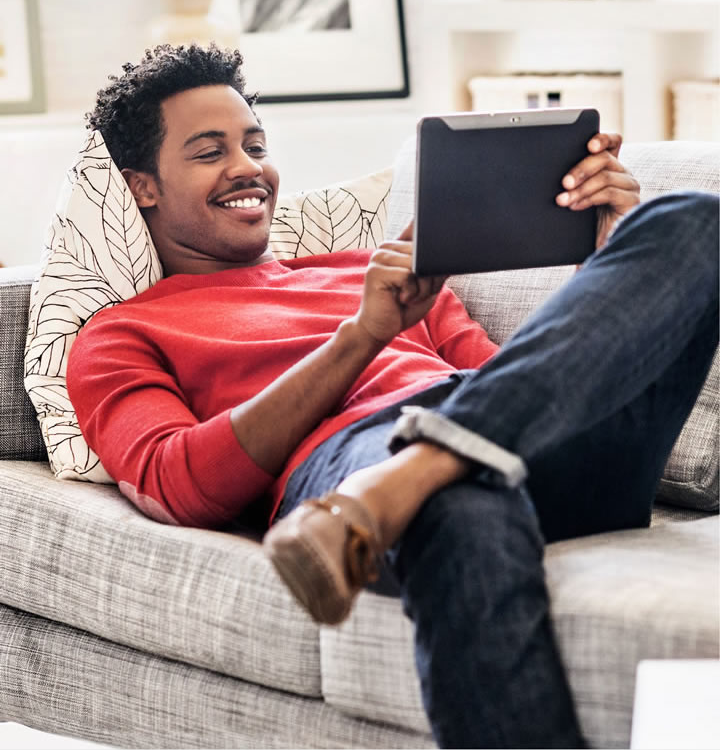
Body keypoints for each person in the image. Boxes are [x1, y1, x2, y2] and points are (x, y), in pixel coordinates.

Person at [68, 43, 718, 749]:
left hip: (497, 442)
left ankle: (407, 479)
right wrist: (361, 336)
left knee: (697, 220)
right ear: (142, 186)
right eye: (209, 151)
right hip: (358, 450)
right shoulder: (119, 332)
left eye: (255, 144)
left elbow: (520, 381)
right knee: (461, 502)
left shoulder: (374, 268)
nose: (247, 167)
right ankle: (426, 475)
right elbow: (180, 482)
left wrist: (615, 252)